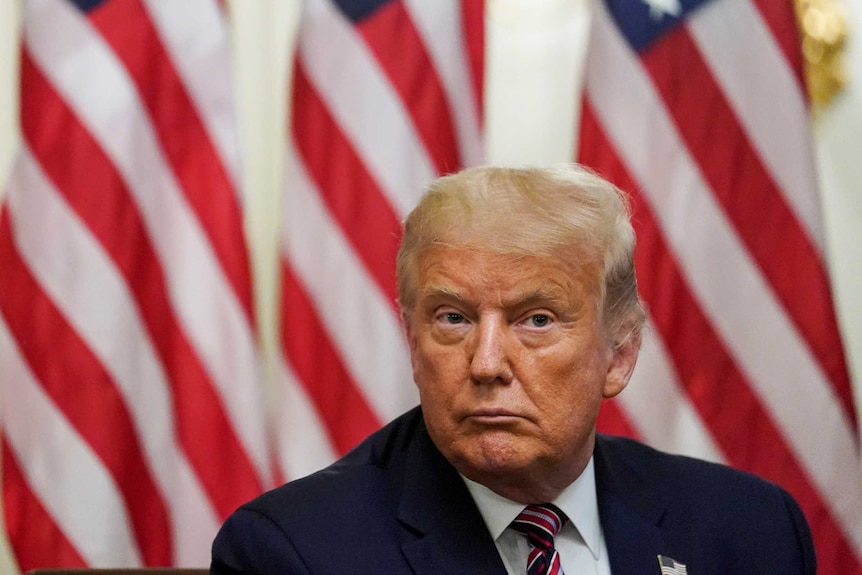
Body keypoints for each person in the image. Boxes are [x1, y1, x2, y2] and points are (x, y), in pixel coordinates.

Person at [210, 165, 816, 574]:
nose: (486, 362)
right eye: (452, 318)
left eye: (538, 320)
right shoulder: (295, 553)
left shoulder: (749, 531)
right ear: (412, 343)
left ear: (620, 354)